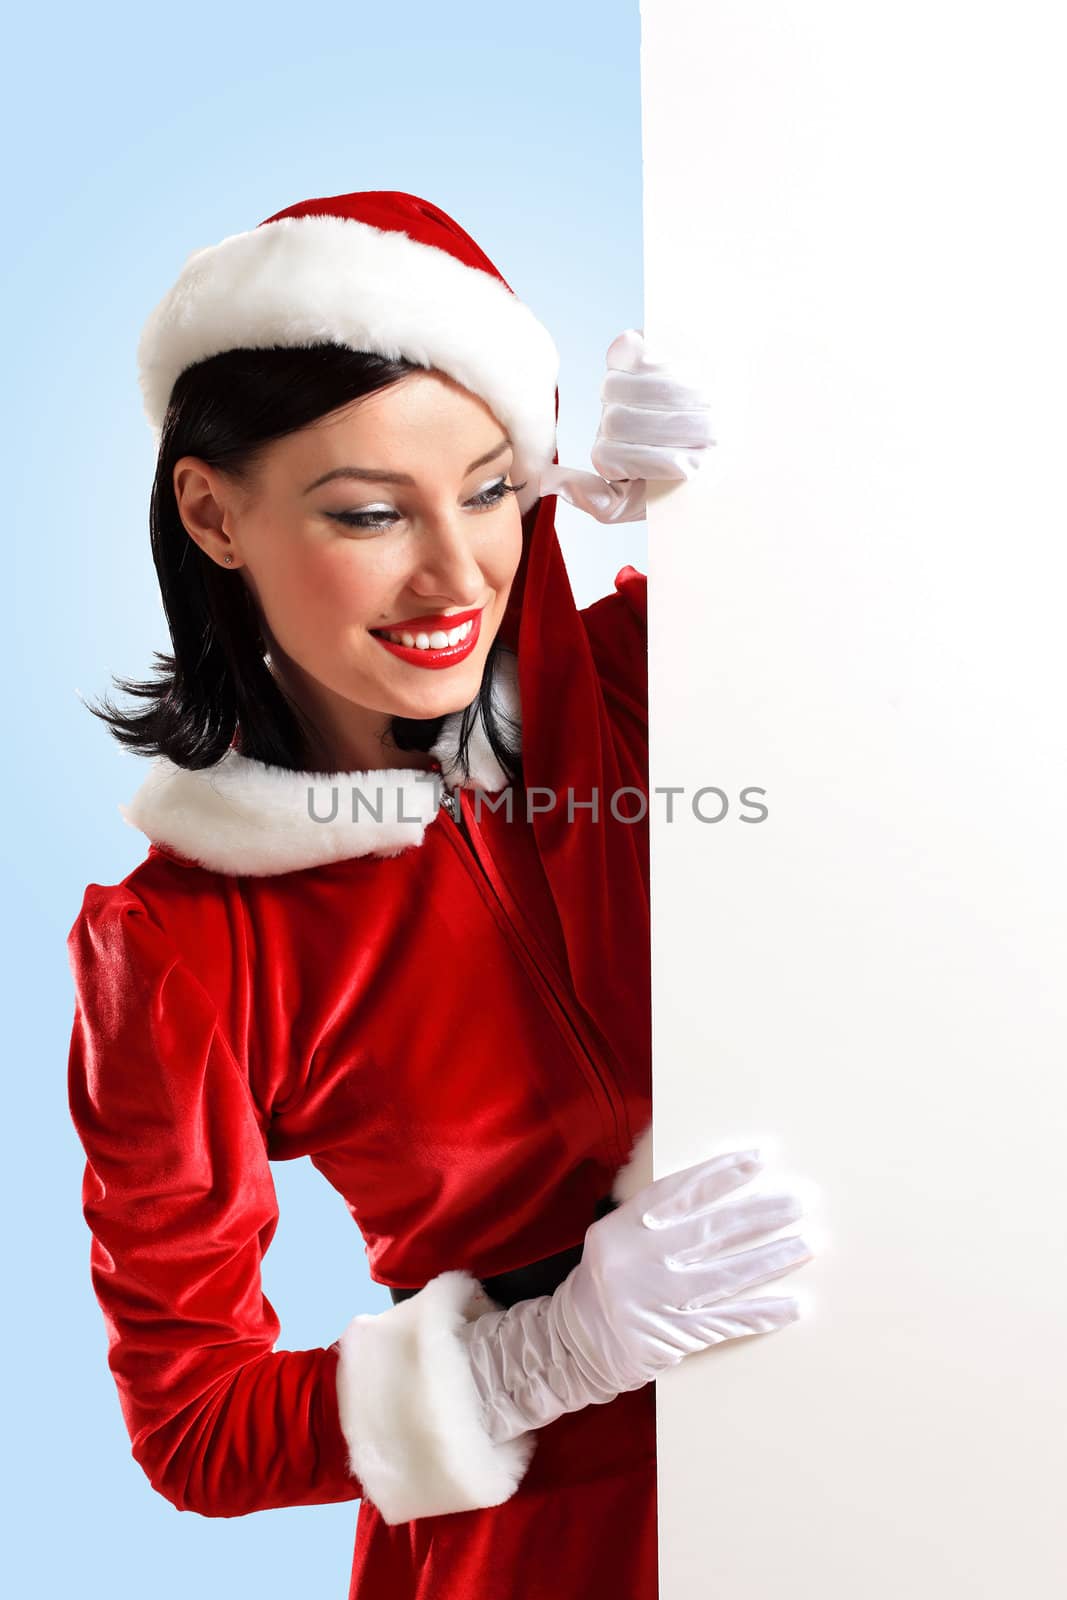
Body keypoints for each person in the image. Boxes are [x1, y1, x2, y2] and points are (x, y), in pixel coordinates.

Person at [65, 189, 815, 1600]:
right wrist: (552, 1347)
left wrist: (747, 496)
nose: (452, 575)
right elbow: (191, 1427)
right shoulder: (179, 943)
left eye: (488, 490)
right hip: (538, 1551)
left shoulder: (653, 691)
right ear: (210, 511)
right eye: (367, 512)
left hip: (861, 1454)